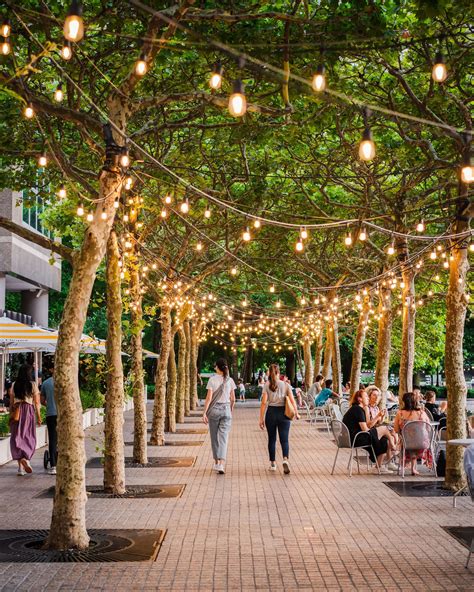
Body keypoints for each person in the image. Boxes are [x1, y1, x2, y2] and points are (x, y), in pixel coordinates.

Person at [343, 389, 397, 473]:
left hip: (354, 437)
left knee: (383, 440)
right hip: (356, 438)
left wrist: (376, 432)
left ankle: (377, 467)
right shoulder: (358, 409)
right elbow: (365, 429)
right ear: (359, 399)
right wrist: (375, 432)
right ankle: (393, 446)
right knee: (384, 429)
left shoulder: (356, 409)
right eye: (366, 396)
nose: (368, 398)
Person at [259, 363, 299, 474]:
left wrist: (261, 419)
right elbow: (292, 400)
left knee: (272, 439)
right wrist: (296, 412)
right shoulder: (285, 385)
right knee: (284, 439)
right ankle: (285, 459)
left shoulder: (266, 385)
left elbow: (263, 403)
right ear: (278, 372)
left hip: (271, 413)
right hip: (284, 414)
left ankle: (273, 463)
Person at [202, 358, 236, 475]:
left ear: (218, 367)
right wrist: (230, 410)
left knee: (214, 437)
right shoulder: (230, 380)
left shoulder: (212, 380)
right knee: (223, 438)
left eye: (215, 366)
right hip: (226, 410)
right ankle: (221, 464)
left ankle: (216, 462)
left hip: (214, 411)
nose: (214, 368)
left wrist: (204, 412)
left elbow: (209, 398)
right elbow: (233, 399)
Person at [8, 365, 41, 476]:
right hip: (28, 411)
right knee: (29, 436)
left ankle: (20, 468)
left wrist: (10, 416)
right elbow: (36, 403)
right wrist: (39, 417)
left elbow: (11, 403)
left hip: (17, 412)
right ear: (29, 373)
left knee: (17, 437)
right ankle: (27, 460)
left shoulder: (14, 384)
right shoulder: (32, 385)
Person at [393, 392, 432, 476]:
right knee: (415, 441)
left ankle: (409, 467)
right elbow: (429, 428)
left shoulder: (400, 414)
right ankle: (413, 469)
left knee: (409, 441)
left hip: (407, 444)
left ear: (404, 401)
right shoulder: (422, 413)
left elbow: (396, 429)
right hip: (422, 444)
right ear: (416, 401)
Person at [40, 364, 57, 475]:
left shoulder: (46, 383)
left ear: (51, 369)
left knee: (52, 439)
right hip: (64, 415)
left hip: (51, 414)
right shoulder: (67, 381)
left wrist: (50, 405)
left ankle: (54, 465)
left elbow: (42, 401)